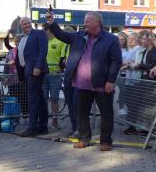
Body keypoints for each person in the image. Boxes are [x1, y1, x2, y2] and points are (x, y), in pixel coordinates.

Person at [47, 11, 122, 150]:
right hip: (81, 83)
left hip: (101, 83)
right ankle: (84, 139)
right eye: (85, 20)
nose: (84, 23)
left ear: (97, 22)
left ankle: (105, 141)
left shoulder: (111, 39)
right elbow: (61, 35)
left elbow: (116, 61)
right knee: (82, 113)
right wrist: (51, 22)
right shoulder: (79, 36)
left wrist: (111, 81)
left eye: (88, 21)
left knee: (106, 113)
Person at [15, 16, 49, 137]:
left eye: (28, 23)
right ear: (21, 26)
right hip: (26, 71)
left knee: (33, 99)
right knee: (39, 98)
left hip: (35, 71)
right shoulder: (22, 37)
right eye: (24, 24)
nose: (27, 25)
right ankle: (42, 126)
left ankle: (32, 128)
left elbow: (43, 50)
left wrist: (38, 66)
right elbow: (21, 54)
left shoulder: (39, 33)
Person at [42, 23, 68, 130]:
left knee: (54, 99)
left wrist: (59, 70)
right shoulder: (43, 41)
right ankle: (43, 120)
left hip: (55, 75)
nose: (43, 33)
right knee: (43, 98)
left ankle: (54, 120)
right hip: (43, 75)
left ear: (49, 30)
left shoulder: (60, 41)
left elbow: (63, 59)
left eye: (44, 31)